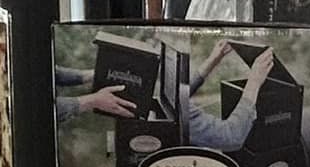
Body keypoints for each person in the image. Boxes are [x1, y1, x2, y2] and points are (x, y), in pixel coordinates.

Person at [53, 42, 274, 152]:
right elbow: (231, 137)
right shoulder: (173, 108)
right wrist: (254, 81)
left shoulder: (168, 101)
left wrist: (90, 76)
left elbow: (53, 73)